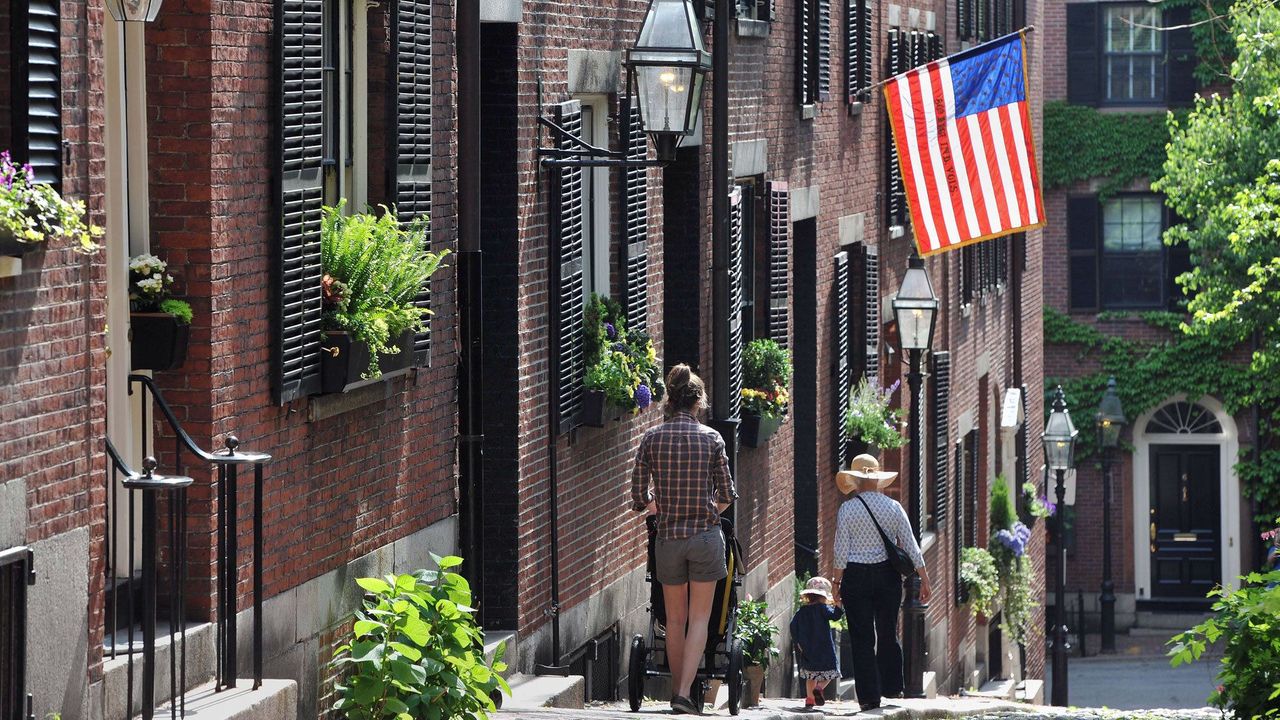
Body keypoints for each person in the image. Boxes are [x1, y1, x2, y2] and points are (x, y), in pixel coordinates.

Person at [630, 364, 738, 715]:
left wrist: (655, 505)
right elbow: (727, 493)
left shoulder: (652, 438)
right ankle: (682, 696)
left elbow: (637, 495)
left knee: (673, 621)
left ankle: (681, 692)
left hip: (669, 538)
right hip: (705, 538)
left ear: (671, 400)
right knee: (700, 619)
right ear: (698, 402)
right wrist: (708, 509)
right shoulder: (712, 439)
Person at [830, 454, 931, 712]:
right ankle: (891, 686)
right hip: (888, 577)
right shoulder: (894, 507)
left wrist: (836, 583)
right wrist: (924, 578)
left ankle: (868, 697)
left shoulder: (848, 509)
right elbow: (910, 546)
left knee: (861, 637)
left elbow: (841, 550)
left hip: (856, 577)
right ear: (876, 479)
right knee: (887, 631)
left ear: (855, 480)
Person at [790, 576, 844, 710]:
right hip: (824, 648)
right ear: (824, 597)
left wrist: (798, 642)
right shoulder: (823, 608)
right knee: (831, 672)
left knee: (810, 675)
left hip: (807, 649)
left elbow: (792, 625)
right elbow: (836, 616)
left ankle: (809, 700)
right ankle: (819, 688)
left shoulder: (801, 611)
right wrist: (838, 603)